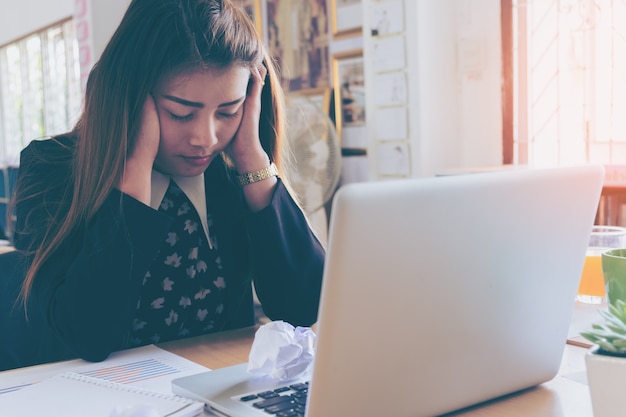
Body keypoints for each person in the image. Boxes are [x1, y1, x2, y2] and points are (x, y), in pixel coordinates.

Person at [6, 0, 324, 370]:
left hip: (216, 391)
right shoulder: (49, 169)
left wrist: (253, 158)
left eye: (228, 111)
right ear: (128, 96)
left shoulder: (229, 174)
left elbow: (302, 309)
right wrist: (134, 174)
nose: (205, 138)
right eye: (181, 113)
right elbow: (89, 336)